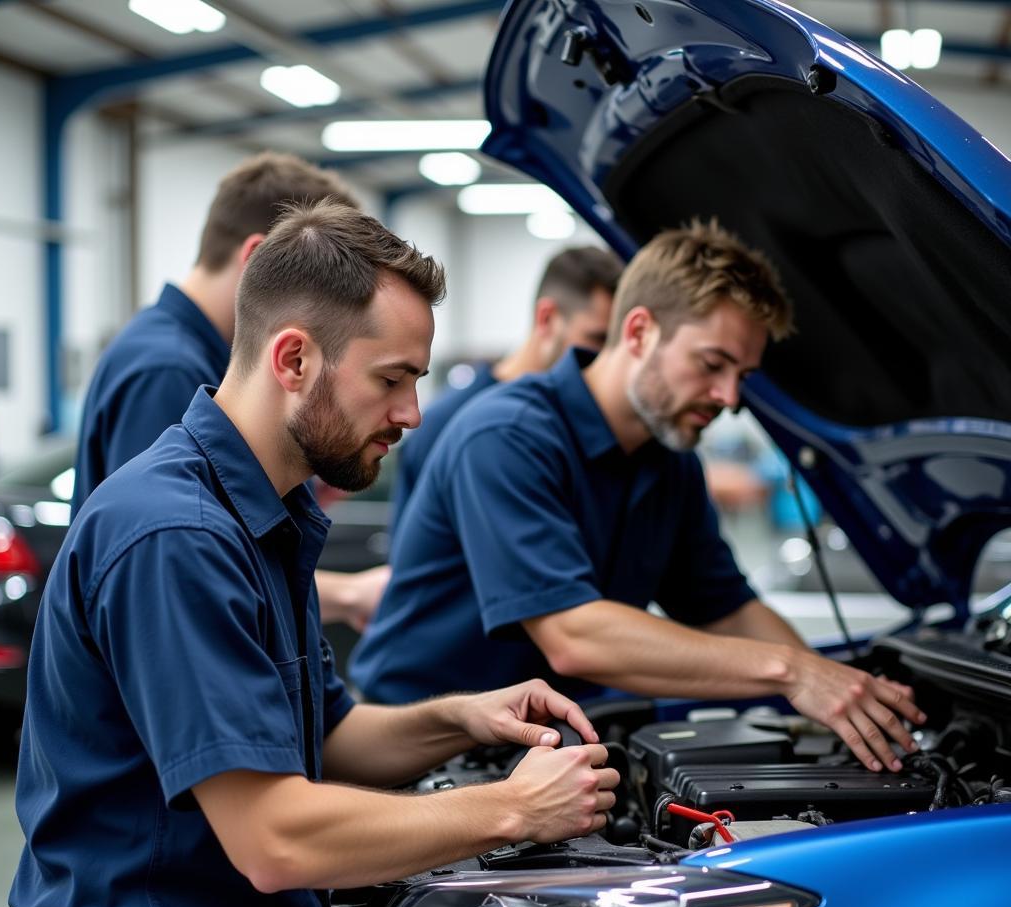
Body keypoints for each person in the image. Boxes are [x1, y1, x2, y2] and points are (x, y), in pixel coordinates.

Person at [9, 201, 618, 907]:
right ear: (293, 358)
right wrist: (510, 809)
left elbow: (329, 738)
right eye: (391, 378)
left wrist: (469, 719)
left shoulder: (259, 515)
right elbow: (274, 838)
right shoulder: (176, 535)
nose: (410, 415)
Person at [350, 220, 926, 775]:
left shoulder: (670, 462)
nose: (728, 397)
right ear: (639, 331)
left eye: (742, 376)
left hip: (549, 749)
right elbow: (576, 638)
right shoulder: (507, 437)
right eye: (712, 364)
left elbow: (727, 609)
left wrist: (841, 694)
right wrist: (792, 672)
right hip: (415, 755)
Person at [71, 151, 386, 630]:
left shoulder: (180, 354)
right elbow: (171, 567)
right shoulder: (167, 371)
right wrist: (348, 594)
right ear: (258, 259)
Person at [390, 244, 623, 527]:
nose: (609, 357)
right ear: (547, 318)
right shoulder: (448, 422)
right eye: (598, 339)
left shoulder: (588, 425)